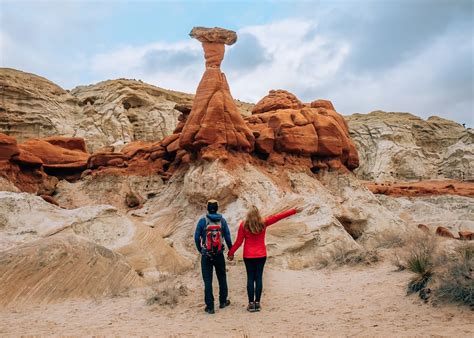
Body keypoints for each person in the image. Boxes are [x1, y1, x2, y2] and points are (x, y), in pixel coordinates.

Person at [227, 205, 301, 312]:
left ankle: (251, 304)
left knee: (250, 278)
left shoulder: (244, 225)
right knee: (259, 278)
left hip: (248, 256)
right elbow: (278, 217)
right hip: (261, 255)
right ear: (258, 214)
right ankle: (257, 303)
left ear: (248, 215)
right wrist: (294, 211)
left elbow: (238, 242)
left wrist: (230, 253)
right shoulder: (263, 223)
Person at [194, 199, 233, 314]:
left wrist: (201, 250)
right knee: (222, 278)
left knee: (207, 281)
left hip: (206, 255)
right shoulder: (222, 221)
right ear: (217, 208)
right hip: (219, 254)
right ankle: (223, 301)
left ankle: (210, 307)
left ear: (207, 208)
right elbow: (227, 237)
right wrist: (231, 250)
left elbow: (196, 238)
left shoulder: (202, 221)